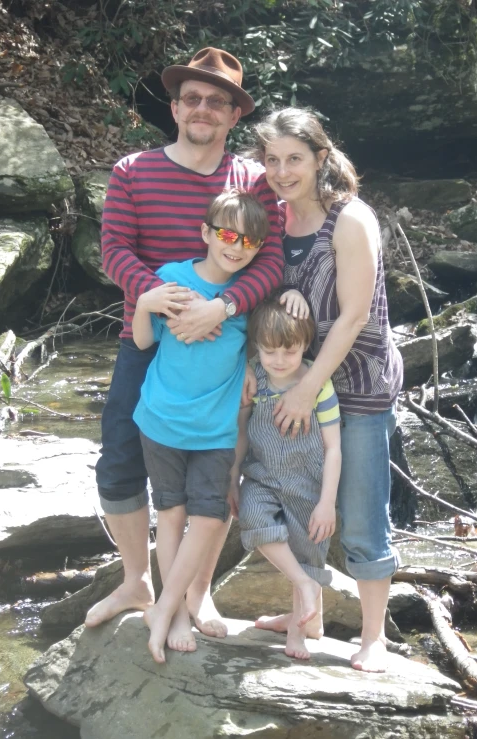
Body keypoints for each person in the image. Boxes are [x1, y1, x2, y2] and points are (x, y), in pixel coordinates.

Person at [86, 48, 283, 633]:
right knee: (120, 463)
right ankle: (136, 581)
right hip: (145, 341)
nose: (203, 109)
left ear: (232, 116)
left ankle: (198, 594)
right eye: (192, 98)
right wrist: (171, 304)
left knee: (216, 476)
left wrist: (221, 306)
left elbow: (270, 261)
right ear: (174, 108)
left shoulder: (253, 182)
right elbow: (115, 251)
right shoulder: (132, 171)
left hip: (225, 346)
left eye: (216, 102)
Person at [247, 108, 403, 673]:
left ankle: (373, 635)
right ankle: (305, 617)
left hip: (355, 389)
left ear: (319, 157)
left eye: (295, 158)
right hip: (291, 387)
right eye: (272, 160)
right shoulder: (272, 217)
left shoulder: (351, 219)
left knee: (360, 512)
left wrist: (306, 388)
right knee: (294, 501)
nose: (283, 171)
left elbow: (355, 314)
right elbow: (262, 297)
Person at [132, 189, 270, 663]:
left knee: (211, 515)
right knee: (171, 514)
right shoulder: (171, 278)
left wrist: (250, 364)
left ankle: (172, 604)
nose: (236, 247)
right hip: (162, 420)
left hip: (214, 428)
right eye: (228, 235)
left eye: (248, 241)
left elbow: (248, 344)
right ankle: (174, 613)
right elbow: (143, 340)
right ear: (207, 234)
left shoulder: (245, 295)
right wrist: (144, 302)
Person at [229, 292, 341, 660]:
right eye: (269, 351)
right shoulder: (254, 378)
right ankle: (304, 586)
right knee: (253, 518)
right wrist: (233, 476)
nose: (278, 361)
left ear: (305, 345)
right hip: (261, 475)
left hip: (307, 482)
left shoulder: (317, 383)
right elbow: (242, 431)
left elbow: (333, 448)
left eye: (289, 352)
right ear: (257, 347)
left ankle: (301, 628)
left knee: (307, 550)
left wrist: (327, 503)